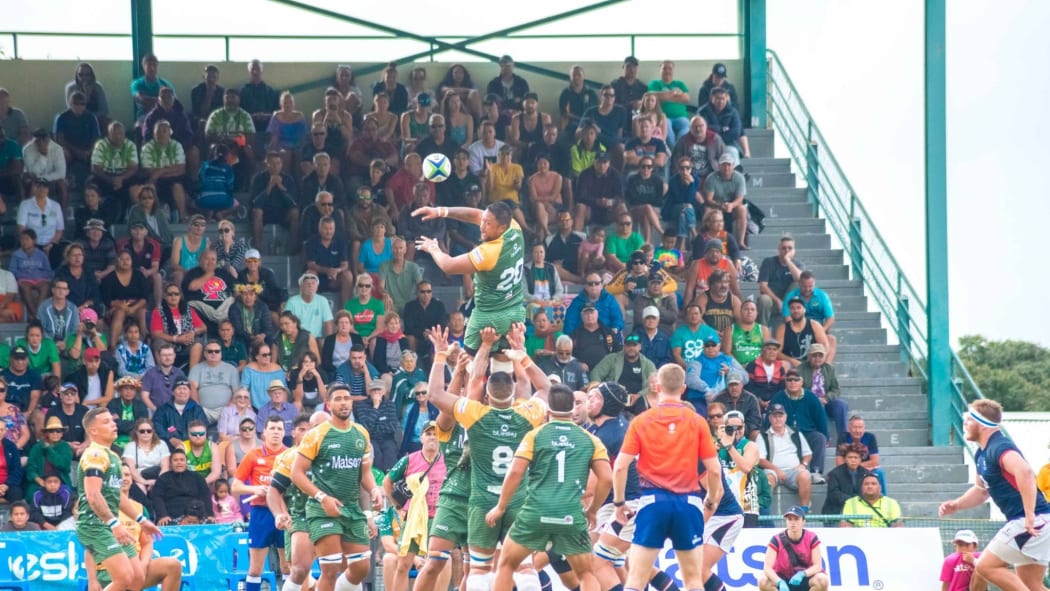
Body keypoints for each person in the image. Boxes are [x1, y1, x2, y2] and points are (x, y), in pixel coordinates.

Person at [422, 331, 547, 591]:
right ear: (513, 397)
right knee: (524, 567)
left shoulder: (475, 415)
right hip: (512, 499)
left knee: (479, 568)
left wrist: (445, 354)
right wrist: (520, 356)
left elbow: (437, 393)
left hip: (482, 501)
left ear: (487, 395)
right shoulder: (525, 414)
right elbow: (541, 388)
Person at [488, 384, 611, 591]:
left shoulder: (535, 435)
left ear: (548, 409)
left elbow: (515, 473)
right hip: (570, 515)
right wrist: (592, 511)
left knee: (507, 565)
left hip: (536, 513)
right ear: (573, 407)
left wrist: (501, 506)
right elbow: (606, 479)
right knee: (586, 573)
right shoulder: (591, 440)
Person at [613, 364, 723, 591]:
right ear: (683, 388)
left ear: (656, 386)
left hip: (652, 502)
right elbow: (714, 470)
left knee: (636, 578)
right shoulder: (697, 422)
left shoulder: (641, 421)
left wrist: (619, 503)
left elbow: (620, 467)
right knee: (693, 579)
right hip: (689, 503)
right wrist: (711, 499)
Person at [939, 399, 1050, 591]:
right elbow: (981, 491)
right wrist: (956, 505)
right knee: (1030, 585)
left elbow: (1024, 472)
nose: (964, 423)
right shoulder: (982, 453)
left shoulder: (999, 446)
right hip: (1035, 522)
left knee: (984, 566)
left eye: (968, 419)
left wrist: (1029, 514)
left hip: (1029, 521)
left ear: (981, 424)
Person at [291, 383, 384, 591]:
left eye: (346, 398)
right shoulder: (317, 434)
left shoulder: (361, 433)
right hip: (323, 509)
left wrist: (374, 489)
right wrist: (322, 497)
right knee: (331, 569)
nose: (343, 403)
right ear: (328, 404)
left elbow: (365, 472)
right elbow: (296, 473)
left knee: (361, 568)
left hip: (351, 508)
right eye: (338, 399)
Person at [76, 407, 162, 591]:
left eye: (112, 420)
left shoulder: (113, 455)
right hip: (94, 526)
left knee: (137, 578)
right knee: (124, 578)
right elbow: (93, 495)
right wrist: (114, 524)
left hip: (107, 524)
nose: (113, 424)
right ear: (93, 431)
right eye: (106, 422)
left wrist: (141, 520)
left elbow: (117, 497)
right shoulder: (95, 454)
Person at [232, 414, 288, 591]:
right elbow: (235, 486)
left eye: (279, 429)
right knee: (256, 569)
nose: (276, 432)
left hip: (284, 512)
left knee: (288, 567)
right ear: (264, 432)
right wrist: (255, 490)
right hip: (261, 513)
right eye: (272, 428)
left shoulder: (289, 455)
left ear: (284, 432)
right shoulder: (254, 455)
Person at [769, 369, 829, 484]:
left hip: (807, 433)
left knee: (820, 438)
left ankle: (815, 472)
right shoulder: (778, 397)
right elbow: (770, 418)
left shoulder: (811, 397)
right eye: (789, 380)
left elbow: (821, 419)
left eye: (796, 380)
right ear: (785, 382)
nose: (793, 382)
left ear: (802, 382)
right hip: (786, 435)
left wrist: (825, 436)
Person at [757, 506, 830, 591]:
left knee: (822, 580)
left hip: (805, 579)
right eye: (790, 519)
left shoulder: (811, 537)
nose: (793, 522)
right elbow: (767, 568)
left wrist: (802, 574)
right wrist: (779, 582)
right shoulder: (776, 539)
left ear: (803, 521)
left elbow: (818, 566)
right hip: (783, 579)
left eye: (796, 519)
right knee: (763, 581)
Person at [757, 403, 813, 510]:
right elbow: (760, 460)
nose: (778, 419)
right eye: (775, 416)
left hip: (794, 471)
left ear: (785, 417)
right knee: (767, 478)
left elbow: (808, 453)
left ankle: (804, 510)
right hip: (772, 471)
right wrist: (777, 470)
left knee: (805, 475)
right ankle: (764, 511)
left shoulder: (796, 433)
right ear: (769, 418)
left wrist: (803, 464)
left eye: (780, 416)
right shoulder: (763, 435)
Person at [796, 344, 848, 445]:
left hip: (826, 400)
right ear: (809, 357)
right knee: (818, 405)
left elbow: (836, 389)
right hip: (809, 402)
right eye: (814, 356)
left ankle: (843, 440)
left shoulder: (829, 369)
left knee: (841, 405)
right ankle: (825, 437)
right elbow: (798, 389)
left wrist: (827, 398)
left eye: (820, 356)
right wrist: (815, 399)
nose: (817, 358)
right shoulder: (800, 369)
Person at [250, 150, 300, 253]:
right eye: (272, 164)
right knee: (257, 212)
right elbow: (255, 203)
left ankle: (294, 248)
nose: (275, 166)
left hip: (282, 214)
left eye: (278, 163)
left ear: (282, 165)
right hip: (265, 214)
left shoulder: (288, 179)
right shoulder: (258, 178)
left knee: (295, 212)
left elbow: (293, 203)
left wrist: (281, 188)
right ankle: (258, 248)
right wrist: (269, 187)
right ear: (266, 165)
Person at [781, 272, 837, 363]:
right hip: (797, 330)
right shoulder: (791, 296)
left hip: (818, 329)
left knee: (831, 339)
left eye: (810, 286)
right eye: (804, 286)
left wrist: (820, 331)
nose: (807, 289)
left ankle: (824, 368)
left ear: (814, 284)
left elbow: (830, 318)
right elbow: (787, 318)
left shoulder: (822, 295)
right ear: (799, 284)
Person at [151, 446, 213, 524]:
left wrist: (210, 514)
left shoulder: (197, 477)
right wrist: (163, 515)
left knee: (210, 524)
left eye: (182, 460)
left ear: (186, 462)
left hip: (196, 515)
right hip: (172, 516)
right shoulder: (163, 479)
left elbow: (205, 495)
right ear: (170, 463)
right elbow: (157, 498)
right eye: (175, 460)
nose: (179, 462)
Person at [188, 340, 240, 423]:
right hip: (204, 410)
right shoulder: (196, 368)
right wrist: (198, 406)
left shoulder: (231, 369)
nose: (213, 353)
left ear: (221, 353)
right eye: (210, 351)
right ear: (204, 353)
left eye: (217, 351)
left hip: (226, 409)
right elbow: (192, 388)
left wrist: (230, 406)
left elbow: (236, 391)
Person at [757, 236, 804, 327]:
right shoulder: (768, 262)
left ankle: (792, 328)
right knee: (764, 299)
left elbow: (800, 279)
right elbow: (763, 286)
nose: (786, 251)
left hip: (791, 302)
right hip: (772, 301)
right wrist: (778, 301)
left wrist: (788, 261)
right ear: (779, 249)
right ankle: (763, 330)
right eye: (784, 248)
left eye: (789, 248)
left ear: (794, 250)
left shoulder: (797, 264)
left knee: (798, 283)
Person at [355, 381, 401, 471]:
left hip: (387, 438)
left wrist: (374, 426)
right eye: (373, 390)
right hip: (370, 438)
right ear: (369, 392)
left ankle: (390, 481)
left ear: (384, 391)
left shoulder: (390, 405)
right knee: (376, 454)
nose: (376, 393)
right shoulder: (361, 405)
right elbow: (366, 427)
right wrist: (375, 407)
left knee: (390, 452)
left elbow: (392, 427)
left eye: (378, 390)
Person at [25, 415, 75, 497]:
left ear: (62, 433)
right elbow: (30, 468)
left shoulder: (65, 446)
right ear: (47, 433)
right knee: (32, 495)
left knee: (66, 495)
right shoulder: (37, 447)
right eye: (51, 431)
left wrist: (48, 449)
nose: (55, 433)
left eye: (58, 431)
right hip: (40, 481)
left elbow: (64, 466)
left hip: (60, 481)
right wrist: (39, 480)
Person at [153, 378, 208, 449]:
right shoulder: (163, 409)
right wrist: (170, 439)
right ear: (173, 392)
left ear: (190, 392)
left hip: (193, 448)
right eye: (179, 388)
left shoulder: (197, 409)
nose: (182, 391)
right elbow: (157, 428)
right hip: (168, 448)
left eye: (185, 388)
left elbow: (203, 428)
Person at [775, 297, 830, 365]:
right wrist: (791, 360)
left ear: (804, 309)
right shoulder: (782, 328)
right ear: (789, 311)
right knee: (783, 364)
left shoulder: (814, 325)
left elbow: (824, 345)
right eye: (792, 308)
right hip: (791, 365)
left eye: (799, 307)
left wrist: (818, 361)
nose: (796, 310)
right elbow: (777, 352)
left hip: (812, 363)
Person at [821, 443, 872, 516]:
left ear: (861, 459)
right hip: (836, 511)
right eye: (850, 457)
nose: (853, 460)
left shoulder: (866, 473)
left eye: (856, 457)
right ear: (845, 459)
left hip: (860, 510)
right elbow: (833, 494)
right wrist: (853, 501)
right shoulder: (834, 474)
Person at [123, 416, 170, 494]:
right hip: (138, 478)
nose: (146, 433)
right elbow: (131, 469)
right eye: (142, 431)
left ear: (153, 432)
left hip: (159, 477)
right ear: (137, 432)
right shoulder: (130, 446)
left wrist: (157, 482)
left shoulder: (161, 444)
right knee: (140, 489)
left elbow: (165, 467)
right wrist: (145, 482)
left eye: (149, 431)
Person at [285, 271, 336, 340]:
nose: (310, 286)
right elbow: (287, 323)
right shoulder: (292, 302)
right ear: (301, 287)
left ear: (317, 287)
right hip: (297, 338)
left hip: (316, 338)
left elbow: (328, 323)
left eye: (313, 283)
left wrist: (330, 342)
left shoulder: (322, 301)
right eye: (307, 283)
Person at [139, 342, 188, 412]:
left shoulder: (180, 374)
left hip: (176, 411)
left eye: (170, 355)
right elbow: (144, 396)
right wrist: (155, 409)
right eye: (164, 355)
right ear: (159, 357)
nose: (167, 358)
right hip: (156, 411)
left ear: (174, 356)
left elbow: (186, 394)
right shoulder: (150, 374)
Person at [241, 341, 287, 410]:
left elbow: (284, 391)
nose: (268, 357)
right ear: (256, 356)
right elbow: (244, 389)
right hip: (253, 408)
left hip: (275, 407)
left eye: (269, 354)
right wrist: (248, 405)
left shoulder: (278, 370)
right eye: (264, 355)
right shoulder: (249, 369)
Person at [106, 375, 149, 446]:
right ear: (120, 390)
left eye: (132, 389)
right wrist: (135, 424)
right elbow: (114, 425)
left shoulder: (141, 405)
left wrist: (121, 424)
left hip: (136, 442)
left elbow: (143, 425)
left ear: (135, 391)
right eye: (125, 388)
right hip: (115, 442)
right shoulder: (112, 404)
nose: (128, 392)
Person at [0, 421, 25, 503]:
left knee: (17, 493)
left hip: (7, 484)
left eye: (2, 430)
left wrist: (6, 485)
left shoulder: (11, 446)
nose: (0, 432)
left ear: (5, 432)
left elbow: (17, 469)